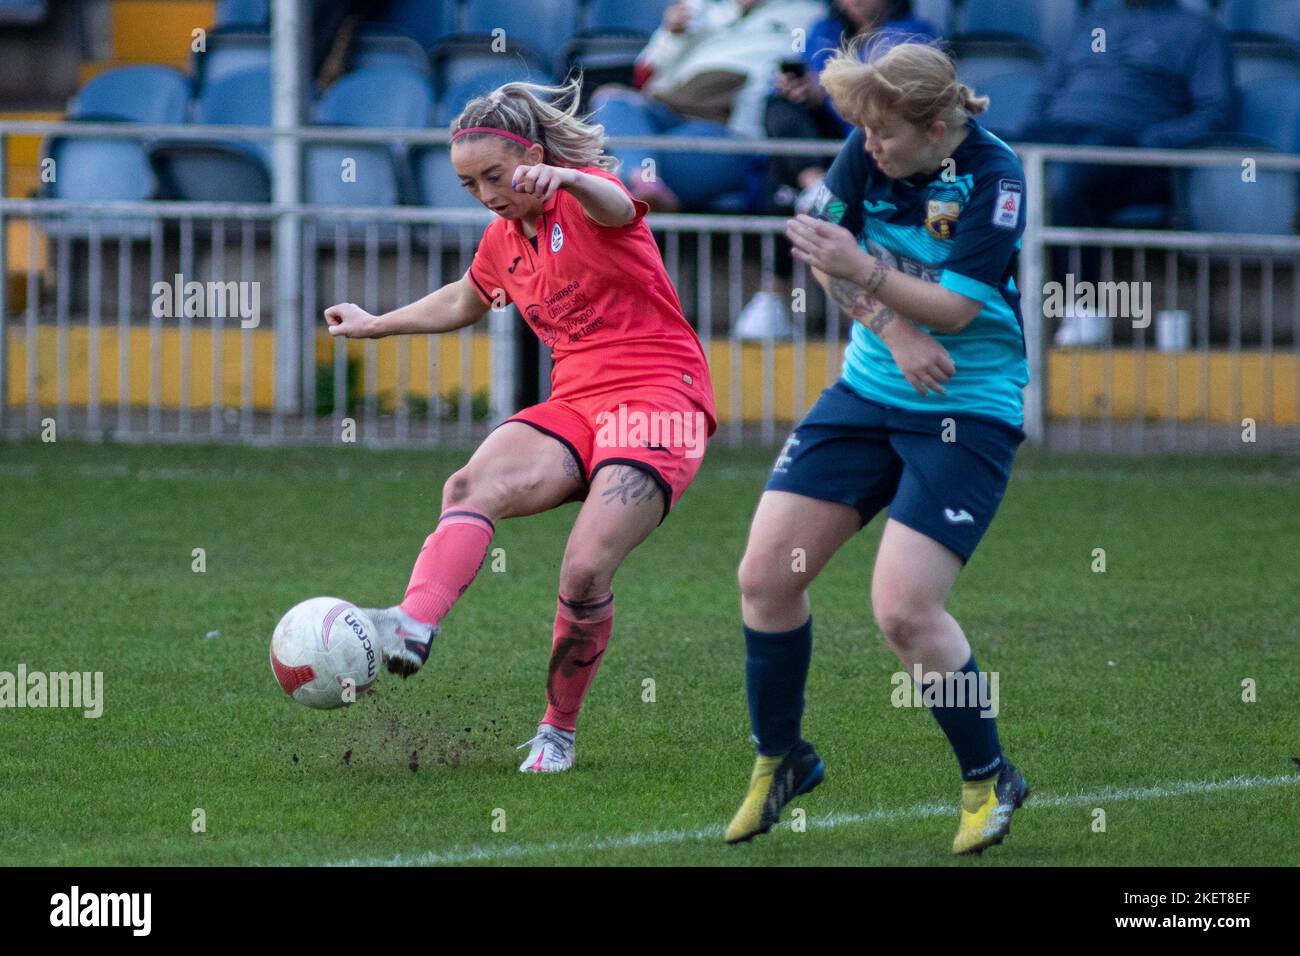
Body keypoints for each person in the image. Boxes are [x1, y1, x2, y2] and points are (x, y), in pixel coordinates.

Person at [324, 78, 717, 773]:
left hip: (662, 398)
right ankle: (415, 623)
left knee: (586, 567)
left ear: (533, 158)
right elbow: (465, 298)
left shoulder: (585, 196)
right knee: (470, 484)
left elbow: (621, 203)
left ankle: (557, 731)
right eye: (469, 183)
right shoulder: (503, 237)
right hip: (577, 403)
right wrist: (375, 324)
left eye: (495, 177)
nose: (486, 194)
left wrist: (568, 174)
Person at [724, 40, 1031, 855]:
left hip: (967, 409)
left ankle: (988, 776)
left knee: (903, 609)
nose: (870, 148)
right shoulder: (869, 144)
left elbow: (959, 312)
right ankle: (783, 756)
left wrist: (867, 271)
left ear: (935, 127)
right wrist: (890, 327)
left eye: (886, 136)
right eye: (862, 133)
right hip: (868, 391)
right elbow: (826, 256)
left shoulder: (996, 179)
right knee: (764, 579)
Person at [737, 0, 939, 339]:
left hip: (875, 146)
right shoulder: (822, 30)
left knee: (785, 178)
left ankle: (773, 293)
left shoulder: (916, 36)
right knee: (778, 106)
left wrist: (827, 93)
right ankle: (815, 186)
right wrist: (799, 89)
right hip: (822, 147)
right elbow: (800, 87)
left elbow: (894, 106)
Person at [592, 0, 824, 211]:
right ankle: (643, 179)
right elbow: (644, 75)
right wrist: (670, 36)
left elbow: (813, 73)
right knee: (611, 99)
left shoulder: (804, 15)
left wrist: (807, 83)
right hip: (665, 110)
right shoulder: (703, 10)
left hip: (726, 130)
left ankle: (631, 180)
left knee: (614, 166)